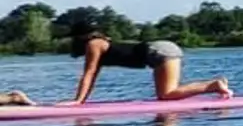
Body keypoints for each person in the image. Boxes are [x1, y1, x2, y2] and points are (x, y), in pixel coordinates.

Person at [65, 26, 231, 105]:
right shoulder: (99, 44)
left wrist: (78, 101)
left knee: (167, 94)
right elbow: (92, 75)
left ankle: (213, 85)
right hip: (157, 52)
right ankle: (214, 85)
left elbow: (89, 73)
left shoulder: (93, 44)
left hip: (157, 51)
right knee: (166, 94)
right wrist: (81, 100)